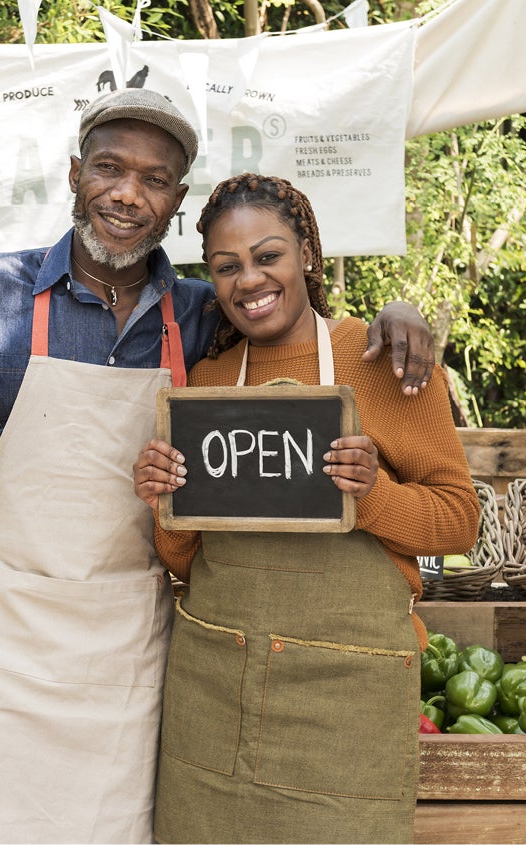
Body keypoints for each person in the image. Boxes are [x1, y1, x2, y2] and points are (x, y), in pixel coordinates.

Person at [0, 89, 436, 843]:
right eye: (110, 168)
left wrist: (396, 314)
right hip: (4, 639)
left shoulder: (200, 312)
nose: (127, 193)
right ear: (76, 173)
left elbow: (287, 313)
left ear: (176, 201)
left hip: (129, 641)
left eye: (154, 179)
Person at [132, 173, 480, 844]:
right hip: (215, 692)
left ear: (308, 254)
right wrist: (163, 501)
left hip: (343, 700)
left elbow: (458, 519)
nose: (248, 279)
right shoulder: (205, 385)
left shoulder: (383, 362)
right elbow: (184, 559)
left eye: (269, 256)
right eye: (226, 267)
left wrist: (371, 495)